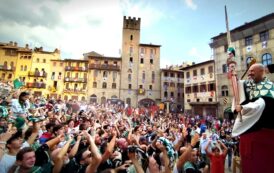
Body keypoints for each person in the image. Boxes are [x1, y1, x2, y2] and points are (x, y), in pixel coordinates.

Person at [232, 63, 274, 173]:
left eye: (253, 71)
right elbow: (240, 84)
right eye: (249, 71)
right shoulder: (250, 85)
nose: (249, 74)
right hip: (248, 138)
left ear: (261, 72)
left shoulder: (268, 86)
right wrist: (234, 77)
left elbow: (260, 104)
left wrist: (243, 107)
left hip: (262, 138)